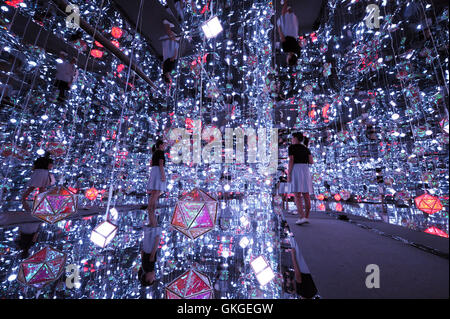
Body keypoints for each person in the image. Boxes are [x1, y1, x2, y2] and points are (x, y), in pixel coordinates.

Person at [288, 132, 314, 225]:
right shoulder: (306, 148)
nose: (292, 140)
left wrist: (289, 174)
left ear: (295, 138)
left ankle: (301, 217)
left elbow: (291, 160)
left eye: (292, 138)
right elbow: (311, 161)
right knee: (306, 194)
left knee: (297, 195)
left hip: (296, 169)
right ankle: (306, 217)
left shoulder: (291, 147)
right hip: (305, 170)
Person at [147, 140, 166, 227]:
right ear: (161, 145)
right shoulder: (160, 152)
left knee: (155, 191)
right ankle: (151, 208)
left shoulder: (154, 153)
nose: (165, 146)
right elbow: (161, 163)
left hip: (154, 171)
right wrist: (163, 175)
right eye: (164, 144)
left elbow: (151, 164)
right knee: (157, 191)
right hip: (158, 171)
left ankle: (150, 207)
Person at [277, 0, 300, 66]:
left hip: (294, 34)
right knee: (283, 16)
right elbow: (282, 38)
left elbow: (298, 43)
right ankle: (285, 2)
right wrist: (279, 27)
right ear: (289, 58)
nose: (286, 59)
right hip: (287, 32)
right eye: (287, 60)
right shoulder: (286, 50)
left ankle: (288, 7)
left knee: (291, 18)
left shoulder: (296, 50)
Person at [161, 20, 180, 84]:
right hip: (166, 56)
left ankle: (167, 25)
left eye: (170, 79)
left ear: (168, 78)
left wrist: (176, 50)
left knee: (172, 41)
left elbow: (172, 59)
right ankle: (168, 27)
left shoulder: (169, 70)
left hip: (170, 54)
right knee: (170, 40)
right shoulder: (164, 71)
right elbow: (163, 64)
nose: (171, 78)